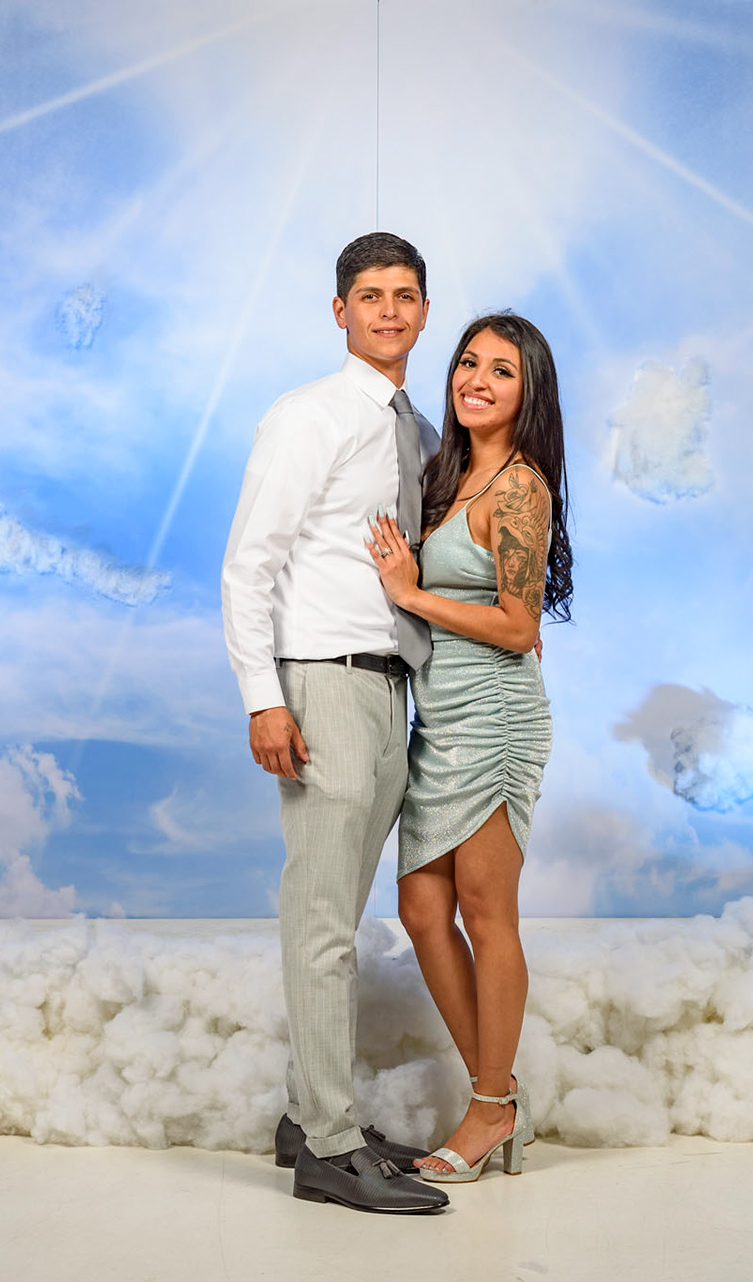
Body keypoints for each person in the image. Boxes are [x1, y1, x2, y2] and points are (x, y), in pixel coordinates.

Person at [220, 232, 450, 1214]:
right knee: (321, 928)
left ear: (425, 311)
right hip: (322, 683)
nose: (388, 311)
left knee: (338, 923)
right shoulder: (307, 415)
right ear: (340, 311)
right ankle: (329, 1145)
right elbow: (250, 562)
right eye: (370, 295)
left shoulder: (420, 432)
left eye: (405, 295)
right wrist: (263, 696)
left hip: (390, 689)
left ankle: (304, 1115)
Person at [364, 311, 572, 1183]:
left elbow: (519, 628)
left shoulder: (520, 488)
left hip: (493, 719)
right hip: (438, 720)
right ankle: (502, 1093)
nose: (477, 380)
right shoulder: (446, 474)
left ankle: (489, 1107)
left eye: (502, 370)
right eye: (468, 362)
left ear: (529, 394)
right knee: (422, 911)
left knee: (488, 918)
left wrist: (412, 595)